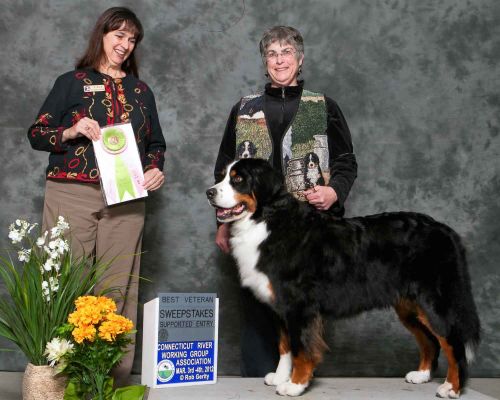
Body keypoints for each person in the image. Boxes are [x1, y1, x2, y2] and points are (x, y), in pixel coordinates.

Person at [27, 7, 166, 383]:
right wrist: (71, 131)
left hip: (126, 199)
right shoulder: (70, 82)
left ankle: (109, 379)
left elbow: (155, 145)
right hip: (71, 191)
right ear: (101, 35)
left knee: (117, 287)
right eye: (118, 35)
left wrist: (155, 169)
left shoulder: (141, 90)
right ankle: (56, 378)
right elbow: (38, 134)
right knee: (64, 282)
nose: (125, 44)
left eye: (132, 38)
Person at [213, 26, 357, 376]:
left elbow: (345, 161)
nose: (280, 60)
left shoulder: (323, 106)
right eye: (272, 54)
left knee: (301, 305)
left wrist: (333, 190)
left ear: (300, 59)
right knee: (258, 309)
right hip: (253, 228)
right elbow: (223, 170)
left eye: (287, 52)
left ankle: (299, 373)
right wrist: (222, 223)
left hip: (309, 228)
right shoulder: (244, 108)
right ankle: (259, 379)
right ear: (265, 62)